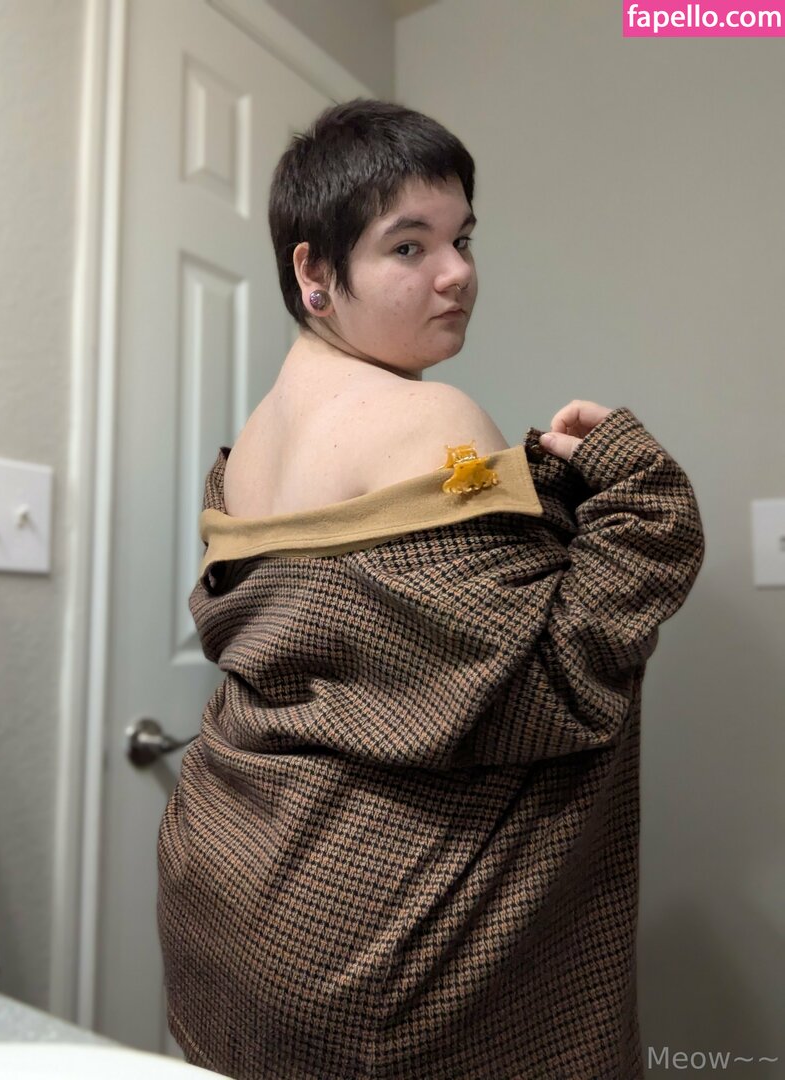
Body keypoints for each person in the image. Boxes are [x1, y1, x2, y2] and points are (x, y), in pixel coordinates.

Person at [156, 98, 705, 1079]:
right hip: (387, 950)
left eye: (462, 238)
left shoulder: (245, 454)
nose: (456, 274)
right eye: (407, 247)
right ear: (314, 273)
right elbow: (549, 688)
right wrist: (636, 490)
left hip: (224, 887)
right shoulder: (431, 418)